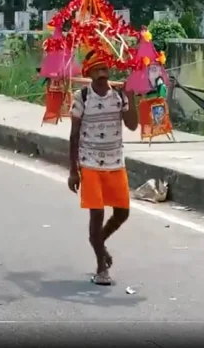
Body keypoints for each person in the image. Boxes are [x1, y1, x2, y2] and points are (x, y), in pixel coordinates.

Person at [68, 50, 139, 286]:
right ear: (88, 73)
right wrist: (72, 170)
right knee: (96, 213)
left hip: (115, 162)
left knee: (122, 212)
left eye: (105, 70)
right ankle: (101, 267)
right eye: (97, 70)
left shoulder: (119, 96)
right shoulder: (82, 97)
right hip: (89, 163)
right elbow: (74, 135)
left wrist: (131, 96)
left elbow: (132, 125)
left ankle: (98, 241)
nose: (102, 74)